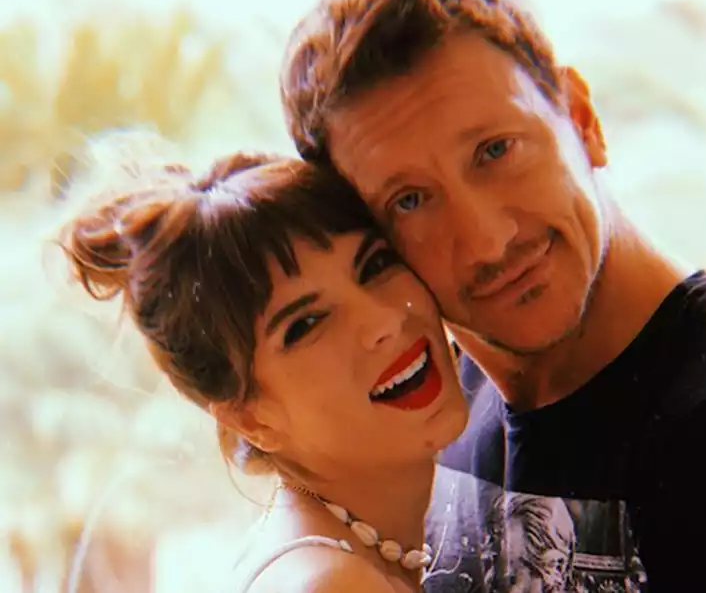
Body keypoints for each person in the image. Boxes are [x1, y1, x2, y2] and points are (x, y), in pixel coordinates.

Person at [278, 0, 706, 591]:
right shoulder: (442, 404)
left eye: (494, 150)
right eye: (409, 201)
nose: (487, 241)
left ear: (582, 120)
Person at [56, 133, 471, 593]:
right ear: (250, 418)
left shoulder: (410, 527)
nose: (384, 321)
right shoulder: (328, 583)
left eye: (373, 266)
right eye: (306, 324)